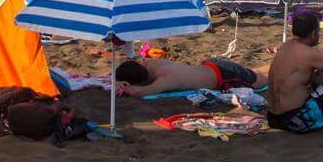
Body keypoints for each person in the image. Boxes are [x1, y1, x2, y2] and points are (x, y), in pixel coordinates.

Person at [114, 56, 267, 97]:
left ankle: (284, 65)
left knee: (264, 80)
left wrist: (127, 88)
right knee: (254, 73)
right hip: (212, 66)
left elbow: (141, 92)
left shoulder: (166, 79)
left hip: (224, 75)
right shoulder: (152, 63)